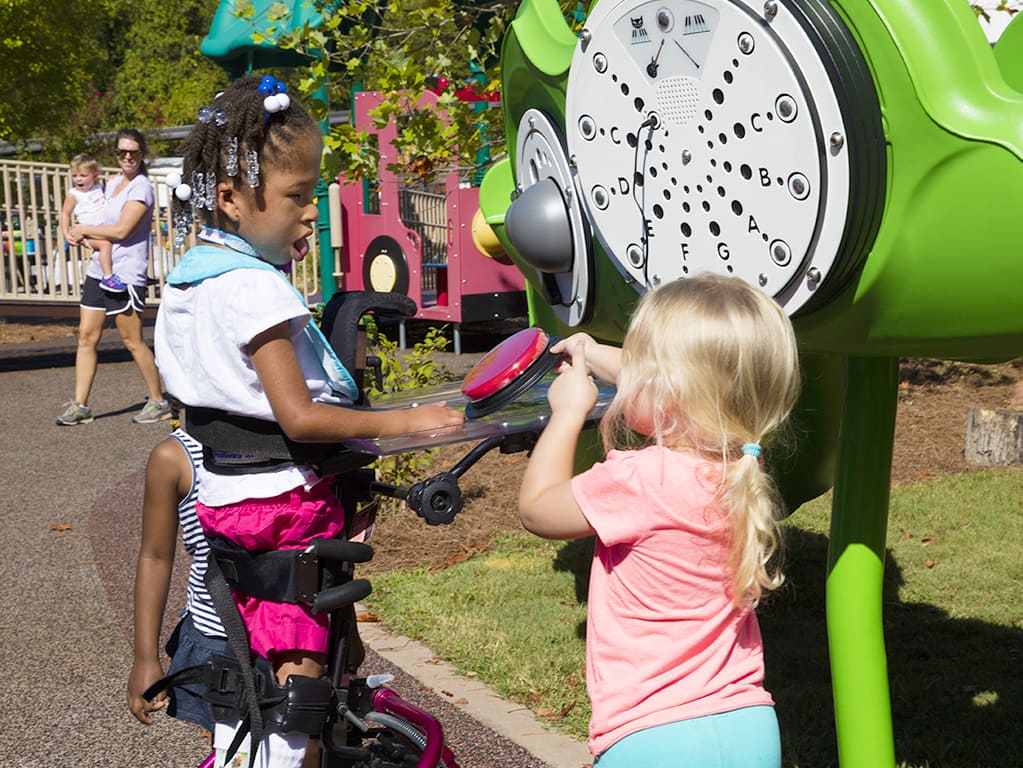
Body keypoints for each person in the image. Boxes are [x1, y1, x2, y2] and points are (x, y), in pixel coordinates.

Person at [153, 74, 464, 768]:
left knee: (268, 680)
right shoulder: (254, 288)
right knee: (300, 702)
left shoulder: (190, 281)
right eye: (296, 196)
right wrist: (409, 423)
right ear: (232, 197)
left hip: (230, 502)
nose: (307, 215)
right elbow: (296, 414)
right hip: (284, 510)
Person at [517, 274, 802, 767]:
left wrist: (567, 412)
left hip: (652, 738)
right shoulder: (740, 465)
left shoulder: (640, 480)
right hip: (748, 726)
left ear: (671, 390)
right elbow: (674, 380)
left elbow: (538, 508)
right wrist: (590, 349)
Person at [57, 129, 171, 426]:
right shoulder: (111, 183)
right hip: (99, 270)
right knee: (85, 337)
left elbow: (122, 230)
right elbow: (95, 218)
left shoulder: (141, 188)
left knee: (131, 341)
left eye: (133, 152)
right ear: (116, 155)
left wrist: (84, 231)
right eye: (122, 152)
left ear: (142, 154)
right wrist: (76, 232)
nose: (127, 157)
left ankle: (158, 401)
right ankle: (81, 405)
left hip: (125, 274)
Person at [127, 428, 228, 735]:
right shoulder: (175, 456)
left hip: (299, 634)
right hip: (217, 636)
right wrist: (145, 657)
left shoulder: (299, 437)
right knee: (232, 747)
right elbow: (155, 556)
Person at [61, 154, 124, 292]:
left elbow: (112, 189)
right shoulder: (74, 195)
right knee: (105, 245)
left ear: (94, 176)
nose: (78, 179)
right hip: (87, 234)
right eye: (75, 175)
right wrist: (66, 233)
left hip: (103, 229)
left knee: (124, 238)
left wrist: (113, 180)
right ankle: (108, 277)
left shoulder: (98, 187)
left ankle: (129, 273)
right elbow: (65, 214)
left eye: (83, 175)